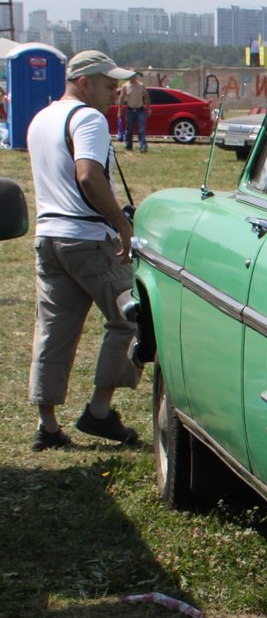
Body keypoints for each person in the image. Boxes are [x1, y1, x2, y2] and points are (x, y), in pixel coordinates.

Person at [26, 50, 143, 451]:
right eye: (109, 86)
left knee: (54, 329)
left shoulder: (41, 118)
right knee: (132, 317)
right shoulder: (88, 118)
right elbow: (89, 175)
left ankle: (48, 424)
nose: (115, 94)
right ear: (83, 82)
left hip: (49, 237)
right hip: (88, 238)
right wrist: (121, 223)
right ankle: (99, 412)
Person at [121, 72, 149, 152]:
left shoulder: (141, 85)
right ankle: (128, 146)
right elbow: (122, 98)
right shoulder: (125, 86)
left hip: (140, 110)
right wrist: (120, 110)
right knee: (129, 130)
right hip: (130, 110)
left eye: (133, 75)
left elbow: (146, 97)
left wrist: (148, 108)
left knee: (141, 129)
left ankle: (143, 147)